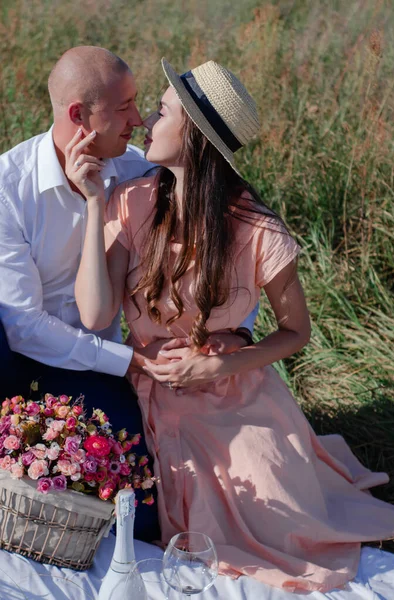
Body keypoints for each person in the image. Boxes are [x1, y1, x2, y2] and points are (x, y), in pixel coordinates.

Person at [71, 57, 394, 593]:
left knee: (277, 504)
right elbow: (95, 315)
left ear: (197, 137)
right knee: (189, 504)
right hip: (151, 380)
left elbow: (297, 331)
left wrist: (221, 362)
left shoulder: (256, 228)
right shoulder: (129, 202)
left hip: (235, 385)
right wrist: (92, 204)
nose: (147, 124)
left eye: (161, 112)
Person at [0, 46, 256, 542]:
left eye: (141, 104)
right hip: (20, 354)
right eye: (124, 108)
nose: (140, 120)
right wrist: (128, 360)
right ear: (79, 115)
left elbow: (229, 244)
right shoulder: (9, 187)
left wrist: (240, 330)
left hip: (100, 364)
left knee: (139, 513)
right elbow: (23, 325)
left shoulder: (140, 173)